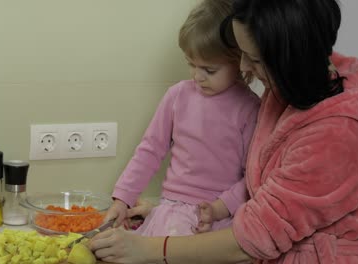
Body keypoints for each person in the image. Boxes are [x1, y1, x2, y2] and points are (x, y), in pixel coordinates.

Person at [90, 0, 358, 263]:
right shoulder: (282, 93)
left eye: (255, 59)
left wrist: (149, 248)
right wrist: (161, 210)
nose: (244, 68)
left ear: (292, 56)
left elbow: (254, 236)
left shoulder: (341, 135)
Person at [104, 0, 260, 237]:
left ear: (240, 61)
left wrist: (221, 207)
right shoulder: (177, 96)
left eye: (209, 70)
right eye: (191, 64)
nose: (197, 76)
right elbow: (149, 150)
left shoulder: (250, 108)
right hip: (172, 211)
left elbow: (253, 177)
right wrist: (122, 199)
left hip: (221, 217)